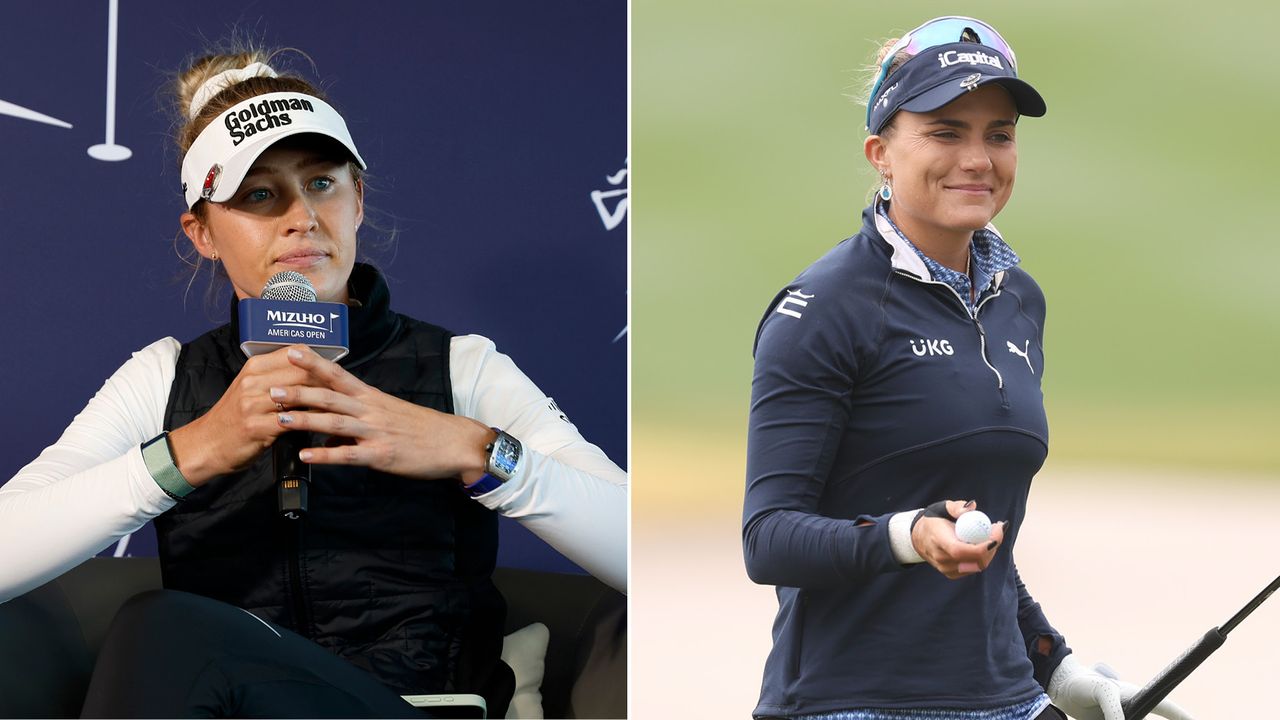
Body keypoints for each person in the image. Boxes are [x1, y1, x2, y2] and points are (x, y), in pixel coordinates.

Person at [0, 48, 626, 718]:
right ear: (202, 232)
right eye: (260, 195)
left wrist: (480, 453)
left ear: (358, 201)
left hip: (421, 706)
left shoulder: (459, 366)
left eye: (322, 183)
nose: (302, 217)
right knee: (167, 627)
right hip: (232, 701)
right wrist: (192, 452)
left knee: (165, 625)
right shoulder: (163, 379)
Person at [742, 16, 1188, 720]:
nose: (978, 158)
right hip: (854, 703)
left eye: (999, 134)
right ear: (880, 152)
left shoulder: (1018, 300)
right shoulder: (825, 307)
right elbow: (769, 539)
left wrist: (1056, 664)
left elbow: (986, 538)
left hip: (1007, 698)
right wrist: (908, 535)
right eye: (947, 132)